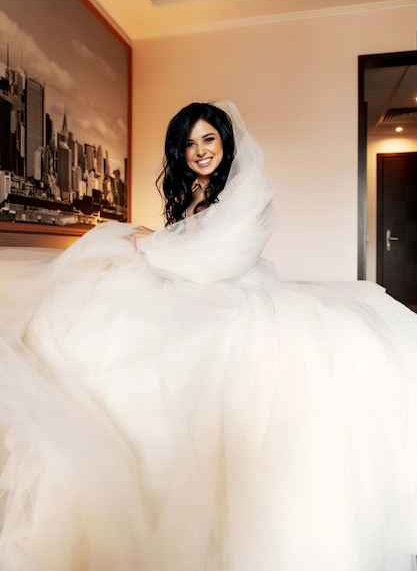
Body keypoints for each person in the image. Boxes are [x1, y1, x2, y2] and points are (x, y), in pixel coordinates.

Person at [0, 101, 417, 571]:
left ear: (225, 142)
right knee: (102, 301)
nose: (199, 151)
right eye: (190, 142)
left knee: (158, 327)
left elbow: (218, 257)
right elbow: (190, 252)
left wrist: (144, 245)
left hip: (231, 287)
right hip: (204, 284)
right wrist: (148, 241)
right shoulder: (194, 191)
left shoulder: (247, 187)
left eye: (209, 139)